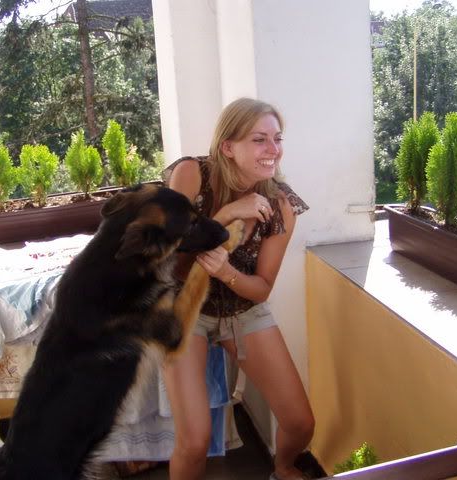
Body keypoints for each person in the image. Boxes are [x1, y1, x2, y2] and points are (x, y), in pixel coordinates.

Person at [163, 97, 315, 480]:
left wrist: (227, 271)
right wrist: (228, 213)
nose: (273, 149)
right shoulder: (191, 175)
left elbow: (261, 289)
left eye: (277, 138)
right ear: (228, 147)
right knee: (195, 442)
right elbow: (169, 259)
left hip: (240, 309)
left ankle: (283, 468)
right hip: (184, 307)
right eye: (259, 139)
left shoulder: (281, 205)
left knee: (300, 423)